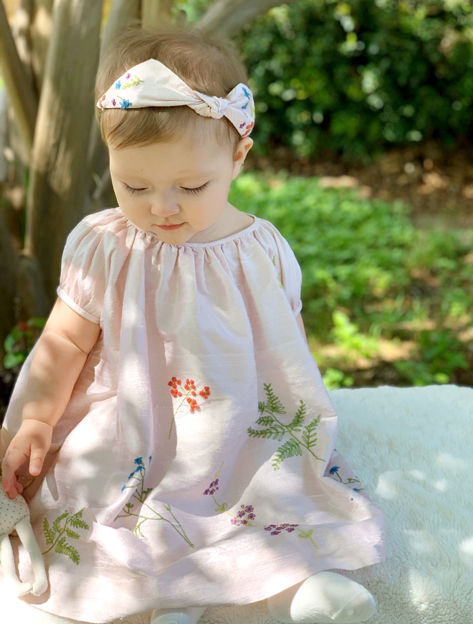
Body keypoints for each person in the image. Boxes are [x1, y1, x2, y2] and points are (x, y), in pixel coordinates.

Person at [0, 24, 386, 624]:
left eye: (191, 185)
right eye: (135, 185)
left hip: (235, 422)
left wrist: (292, 420)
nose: (163, 206)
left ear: (237, 157)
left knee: (271, 496)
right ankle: (141, 604)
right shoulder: (105, 244)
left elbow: (287, 352)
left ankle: (296, 593)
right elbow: (65, 339)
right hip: (129, 423)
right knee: (93, 504)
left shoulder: (260, 249)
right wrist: (37, 419)